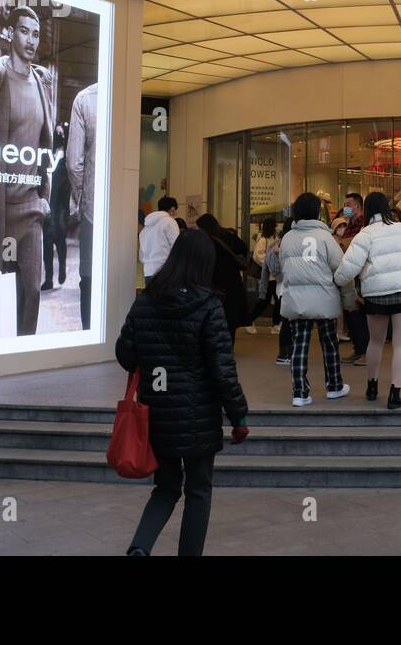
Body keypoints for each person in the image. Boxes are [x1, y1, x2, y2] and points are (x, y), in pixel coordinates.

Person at [116, 230, 249, 556]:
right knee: (199, 490)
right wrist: (238, 416)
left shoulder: (145, 300)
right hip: (197, 417)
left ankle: (139, 548)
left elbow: (125, 355)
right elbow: (223, 369)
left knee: (165, 488)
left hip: (156, 414)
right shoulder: (209, 305)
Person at [0, 5, 53, 336]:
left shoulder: (42, 81)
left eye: (36, 34)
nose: (31, 40)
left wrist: (45, 194)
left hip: (29, 207)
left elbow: (46, 147)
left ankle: (24, 350)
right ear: (9, 34)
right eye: (24, 31)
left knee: (32, 290)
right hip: (0, 208)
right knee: (1, 290)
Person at [334, 192, 401, 409]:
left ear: (366, 209)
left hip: (377, 295)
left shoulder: (365, 234)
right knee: (400, 345)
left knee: (375, 342)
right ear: (387, 208)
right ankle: (395, 394)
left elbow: (348, 268)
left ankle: (372, 386)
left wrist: (337, 280)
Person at [276, 193, 350, 406]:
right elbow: (341, 268)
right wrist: (348, 298)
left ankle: (300, 393)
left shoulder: (288, 237)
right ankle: (334, 386)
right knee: (329, 343)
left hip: (296, 300)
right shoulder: (325, 236)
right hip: (324, 298)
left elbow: (283, 268)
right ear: (318, 211)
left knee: (299, 344)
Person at [194, 213, 248, 346]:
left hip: (214, 282)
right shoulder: (229, 234)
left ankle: (216, 345)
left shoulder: (205, 240)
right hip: (232, 280)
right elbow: (244, 248)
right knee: (231, 315)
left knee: (215, 315)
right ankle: (230, 345)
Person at [337, 193, 369, 365]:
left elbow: (354, 245)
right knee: (351, 313)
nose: (345, 207)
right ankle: (358, 349)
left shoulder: (364, 223)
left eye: (348, 204)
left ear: (358, 205)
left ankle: (365, 351)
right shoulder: (350, 224)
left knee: (359, 313)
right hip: (350, 272)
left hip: (359, 274)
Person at [42, 124, 70, 292]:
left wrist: (65, 211)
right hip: (48, 207)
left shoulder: (64, 161)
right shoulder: (47, 159)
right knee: (47, 243)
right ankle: (49, 278)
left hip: (59, 208)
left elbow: (66, 188)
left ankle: (62, 268)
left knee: (59, 240)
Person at [265, 219, 294, 364]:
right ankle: (284, 354)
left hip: (283, 289)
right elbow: (277, 271)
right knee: (288, 323)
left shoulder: (280, 244)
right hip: (285, 288)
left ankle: (287, 353)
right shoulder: (280, 246)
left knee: (288, 322)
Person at [245, 218, 280, 334]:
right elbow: (257, 256)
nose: (277, 228)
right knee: (265, 300)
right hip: (268, 276)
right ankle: (249, 320)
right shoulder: (263, 240)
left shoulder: (275, 239)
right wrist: (270, 262)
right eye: (275, 226)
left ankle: (275, 324)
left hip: (274, 275)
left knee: (276, 299)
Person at [139, 195, 180, 280]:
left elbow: (141, 256)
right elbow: (177, 247)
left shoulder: (146, 228)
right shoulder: (170, 222)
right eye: (175, 211)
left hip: (148, 272)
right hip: (165, 271)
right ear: (172, 210)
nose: (175, 214)